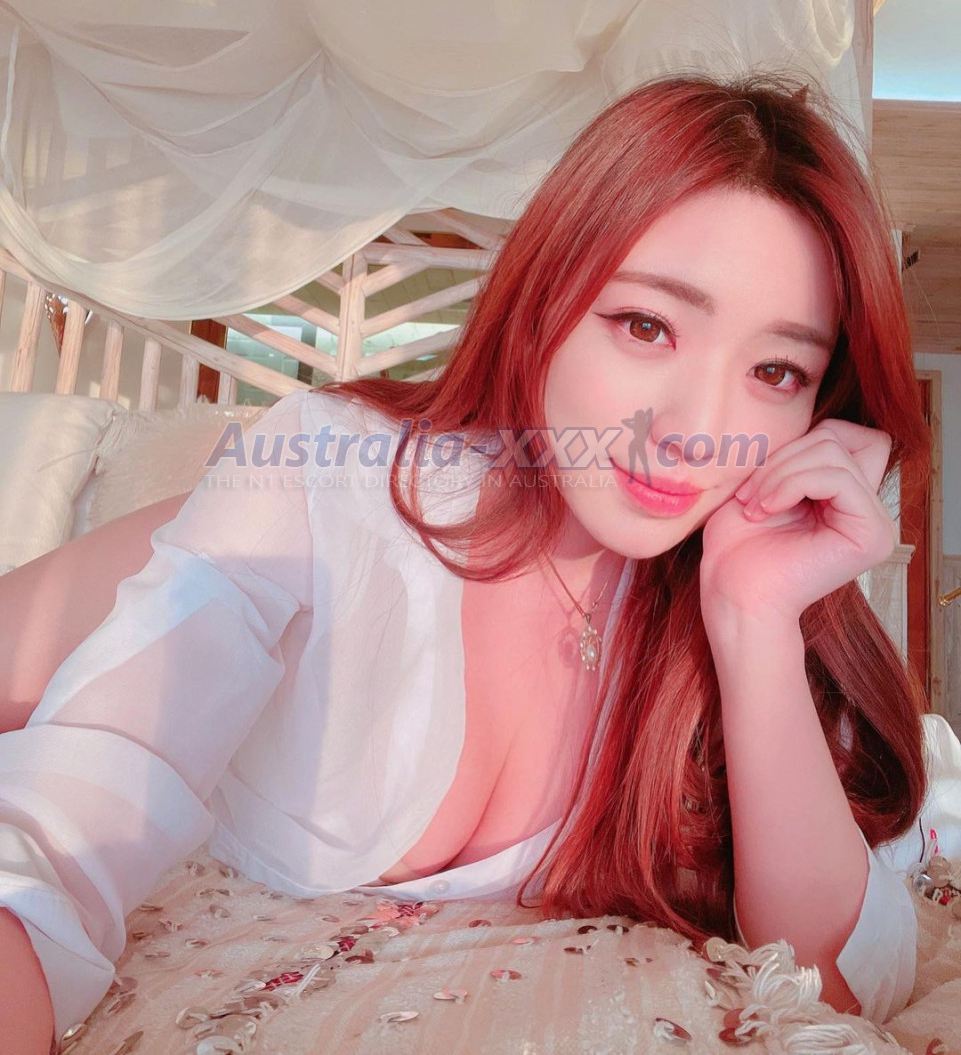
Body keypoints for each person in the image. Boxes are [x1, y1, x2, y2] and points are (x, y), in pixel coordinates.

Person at [2, 70, 960, 1053]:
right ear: (544, 299)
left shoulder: (736, 589)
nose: (696, 432)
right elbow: (50, 842)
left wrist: (753, 621)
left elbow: (839, 979)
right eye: (645, 326)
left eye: (774, 371)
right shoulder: (324, 487)